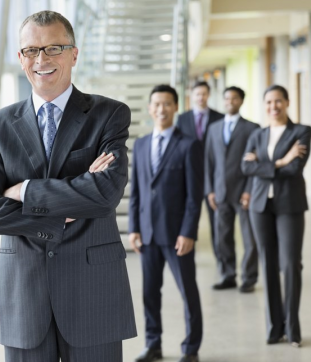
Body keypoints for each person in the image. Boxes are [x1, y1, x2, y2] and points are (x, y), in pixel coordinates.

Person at [0, 10, 136, 362]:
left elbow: (105, 195)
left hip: (94, 292)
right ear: (20, 58)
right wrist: (63, 211)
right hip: (24, 294)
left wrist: (25, 191)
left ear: (74, 54)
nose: (41, 59)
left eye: (54, 48)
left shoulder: (109, 115)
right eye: (31, 50)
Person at [129, 85, 203, 362]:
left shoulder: (189, 145)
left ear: (176, 107)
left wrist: (188, 231)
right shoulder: (141, 144)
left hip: (177, 236)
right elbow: (136, 191)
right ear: (150, 109)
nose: (161, 109)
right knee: (150, 294)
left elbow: (195, 197)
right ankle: (153, 344)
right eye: (157, 104)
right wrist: (134, 227)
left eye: (167, 104)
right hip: (147, 234)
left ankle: (191, 348)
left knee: (188, 293)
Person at [241, 85, 311, 348]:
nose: (274, 106)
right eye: (269, 101)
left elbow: (296, 167)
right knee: (268, 264)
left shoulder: (301, 132)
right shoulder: (258, 134)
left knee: (291, 264)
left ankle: (293, 329)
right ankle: (274, 327)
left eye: (278, 101)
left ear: (287, 102)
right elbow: (245, 166)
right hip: (260, 205)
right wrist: (280, 161)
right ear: (264, 105)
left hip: (289, 205)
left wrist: (264, 165)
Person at [205, 86, 259, 292]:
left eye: (234, 98)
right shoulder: (214, 128)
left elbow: (255, 162)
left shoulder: (253, 128)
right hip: (219, 193)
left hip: (244, 192)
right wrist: (210, 190)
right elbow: (209, 161)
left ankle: (249, 278)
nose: (230, 102)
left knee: (249, 239)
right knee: (222, 238)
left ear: (241, 101)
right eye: (227, 98)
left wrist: (249, 190)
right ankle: (228, 275)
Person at [177, 81, 224, 255]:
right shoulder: (183, 118)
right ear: (192, 95)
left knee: (217, 222)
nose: (201, 97)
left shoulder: (220, 118)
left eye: (204, 94)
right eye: (198, 94)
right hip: (190, 175)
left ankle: (220, 258)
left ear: (209, 95)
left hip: (212, 175)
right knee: (188, 217)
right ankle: (187, 253)